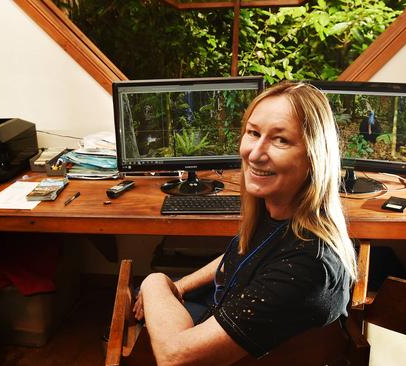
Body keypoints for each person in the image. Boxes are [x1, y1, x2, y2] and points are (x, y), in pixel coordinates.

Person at [133, 81, 357, 366]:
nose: (254, 153)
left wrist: (155, 282)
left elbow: (175, 356)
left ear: (315, 157)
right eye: (253, 133)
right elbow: (246, 253)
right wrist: (181, 286)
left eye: (281, 140)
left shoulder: (307, 266)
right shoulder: (277, 210)